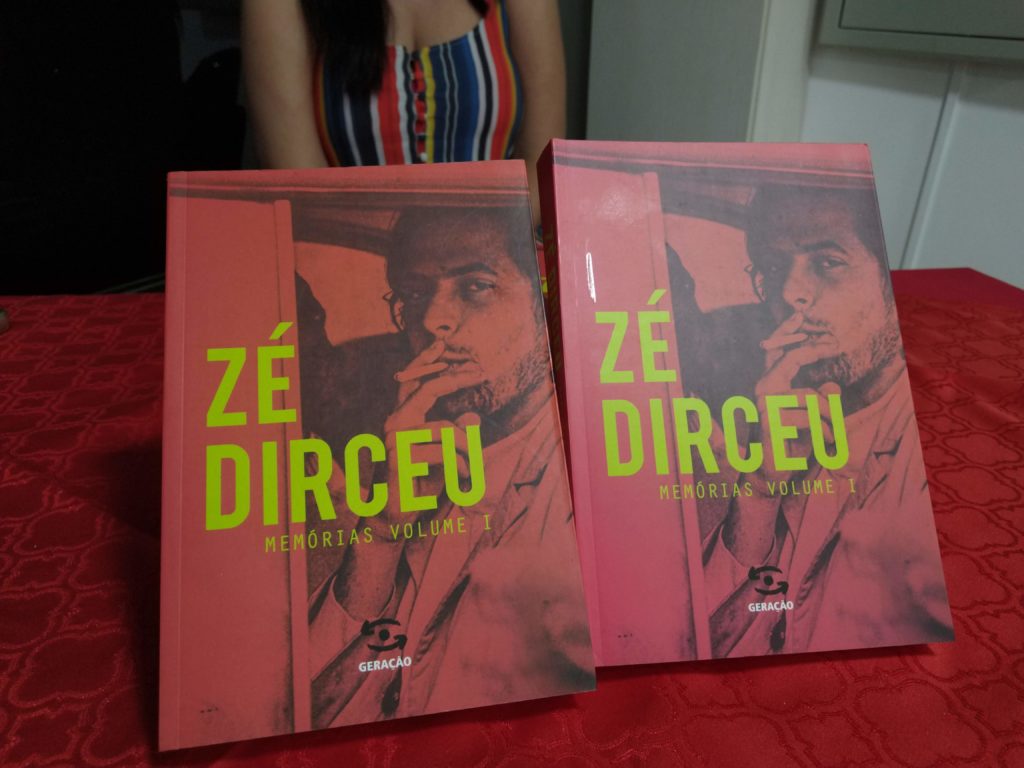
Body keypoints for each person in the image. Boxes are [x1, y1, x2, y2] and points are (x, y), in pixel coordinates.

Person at [303, 202, 592, 727]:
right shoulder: (409, 460)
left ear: (543, 303)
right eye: (414, 294)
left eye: (476, 285)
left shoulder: (586, 464)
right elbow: (309, 709)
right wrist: (382, 533)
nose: (433, 320)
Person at [702, 184, 954, 658]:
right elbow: (709, 641)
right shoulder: (773, 419)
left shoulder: (925, 443)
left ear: (890, 283)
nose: (790, 293)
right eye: (773, 267)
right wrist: (759, 490)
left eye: (828, 262)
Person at [241, 0, 564, 221]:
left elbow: (544, 170)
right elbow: (301, 188)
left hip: (497, 269)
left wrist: (479, 251)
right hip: (347, 268)